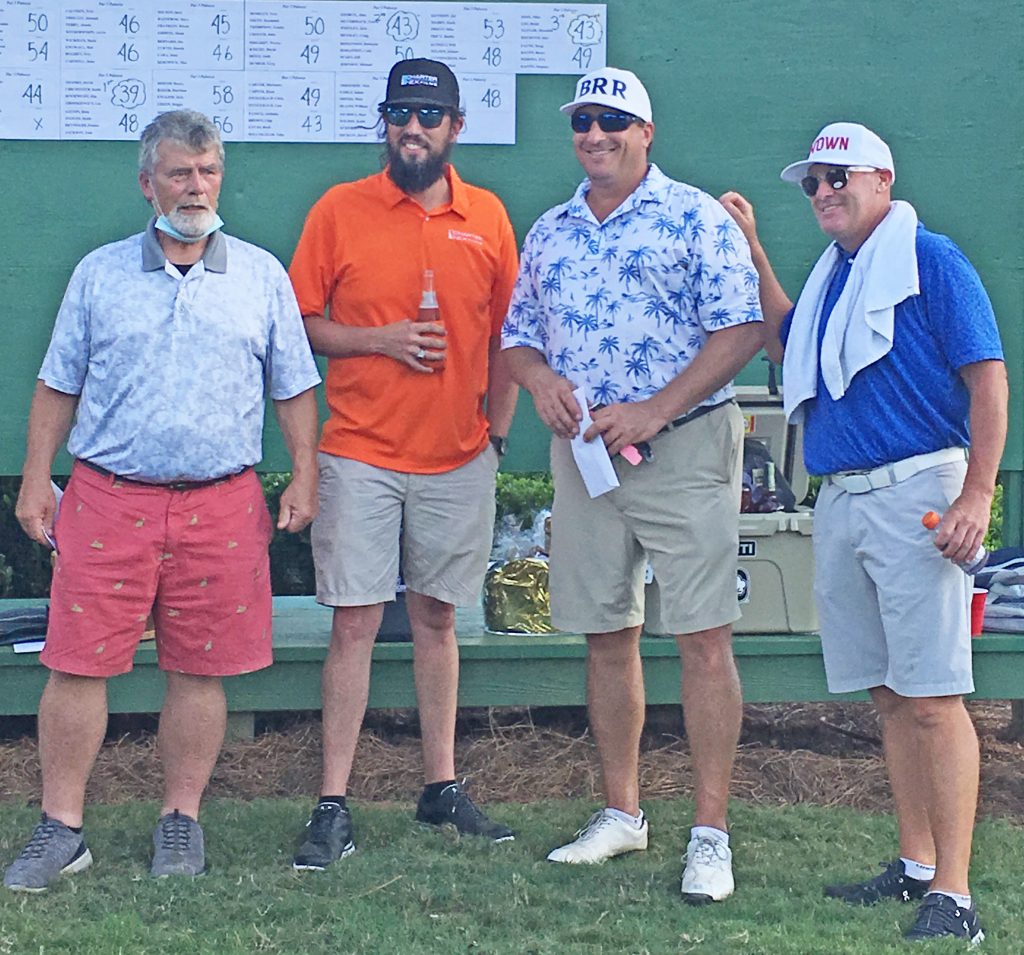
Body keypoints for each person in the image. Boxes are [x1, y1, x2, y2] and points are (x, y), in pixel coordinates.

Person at [3, 110, 321, 892]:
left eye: (208, 172)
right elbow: (57, 383)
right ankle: (62, 826)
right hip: (108, 498)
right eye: (180, 173)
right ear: (147, 183)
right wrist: (37, 475)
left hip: (222, 503)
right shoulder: (99, 274)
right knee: (76, 664)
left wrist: (305, 471)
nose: (195, 187)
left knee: (199, 669)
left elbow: (293, 388)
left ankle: (181, 818)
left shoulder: (260, 276)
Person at [721, 122, 1006, 944]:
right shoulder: (835, 276)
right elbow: (791, 343)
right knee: (887, 694)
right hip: (843, 498)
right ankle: (917, 862)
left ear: (883, 179)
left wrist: (977, 495)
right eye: (813, 181)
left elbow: (988, 381)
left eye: (838, 177)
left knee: (933, 697)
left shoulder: (930, 260)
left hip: (919, 492)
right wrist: (754, 251)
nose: (823, 191)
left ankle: (955, 894)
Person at [502, 67, 763, 902]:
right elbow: (517, 336)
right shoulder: (551, 230)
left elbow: (743, 329)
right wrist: (540, 379)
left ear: (646, 133)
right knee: (606, 633)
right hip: (586, 457)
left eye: (613, 121)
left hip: (682, 447)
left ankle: (710, 834)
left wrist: (656, 408)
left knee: (703, 638)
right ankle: (622, 812)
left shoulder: (695, 217)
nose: (596, 135)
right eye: (583, 121)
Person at [287, 58, 519, 869]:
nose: (412, 129)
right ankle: (332, 802)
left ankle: (440, 786)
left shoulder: (487, 217)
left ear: (456, 127)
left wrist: (495, 436)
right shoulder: (339, 210)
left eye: (428, 116)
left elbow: (510, 337)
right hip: (360, 452)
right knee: (353, 622)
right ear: (384, 124)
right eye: (399, 115)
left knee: (438, 619)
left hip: (457, 457)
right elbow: (300, 323)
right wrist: (378, 340)